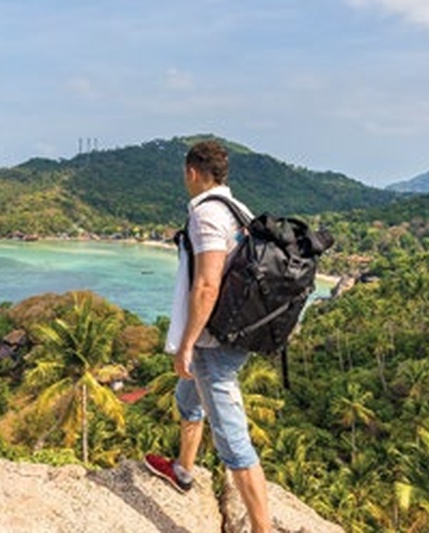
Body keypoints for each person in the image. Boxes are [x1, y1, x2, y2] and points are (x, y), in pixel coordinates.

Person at [144, 140, 272, 533]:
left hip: (213, 343)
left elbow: (206, 287)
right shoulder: (240, 210)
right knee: (188, 398)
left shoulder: (208, 215)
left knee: (234, 444)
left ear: (192, 173)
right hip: (238, 330)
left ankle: (262, 529)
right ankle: (183, 469)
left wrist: (186, 343)